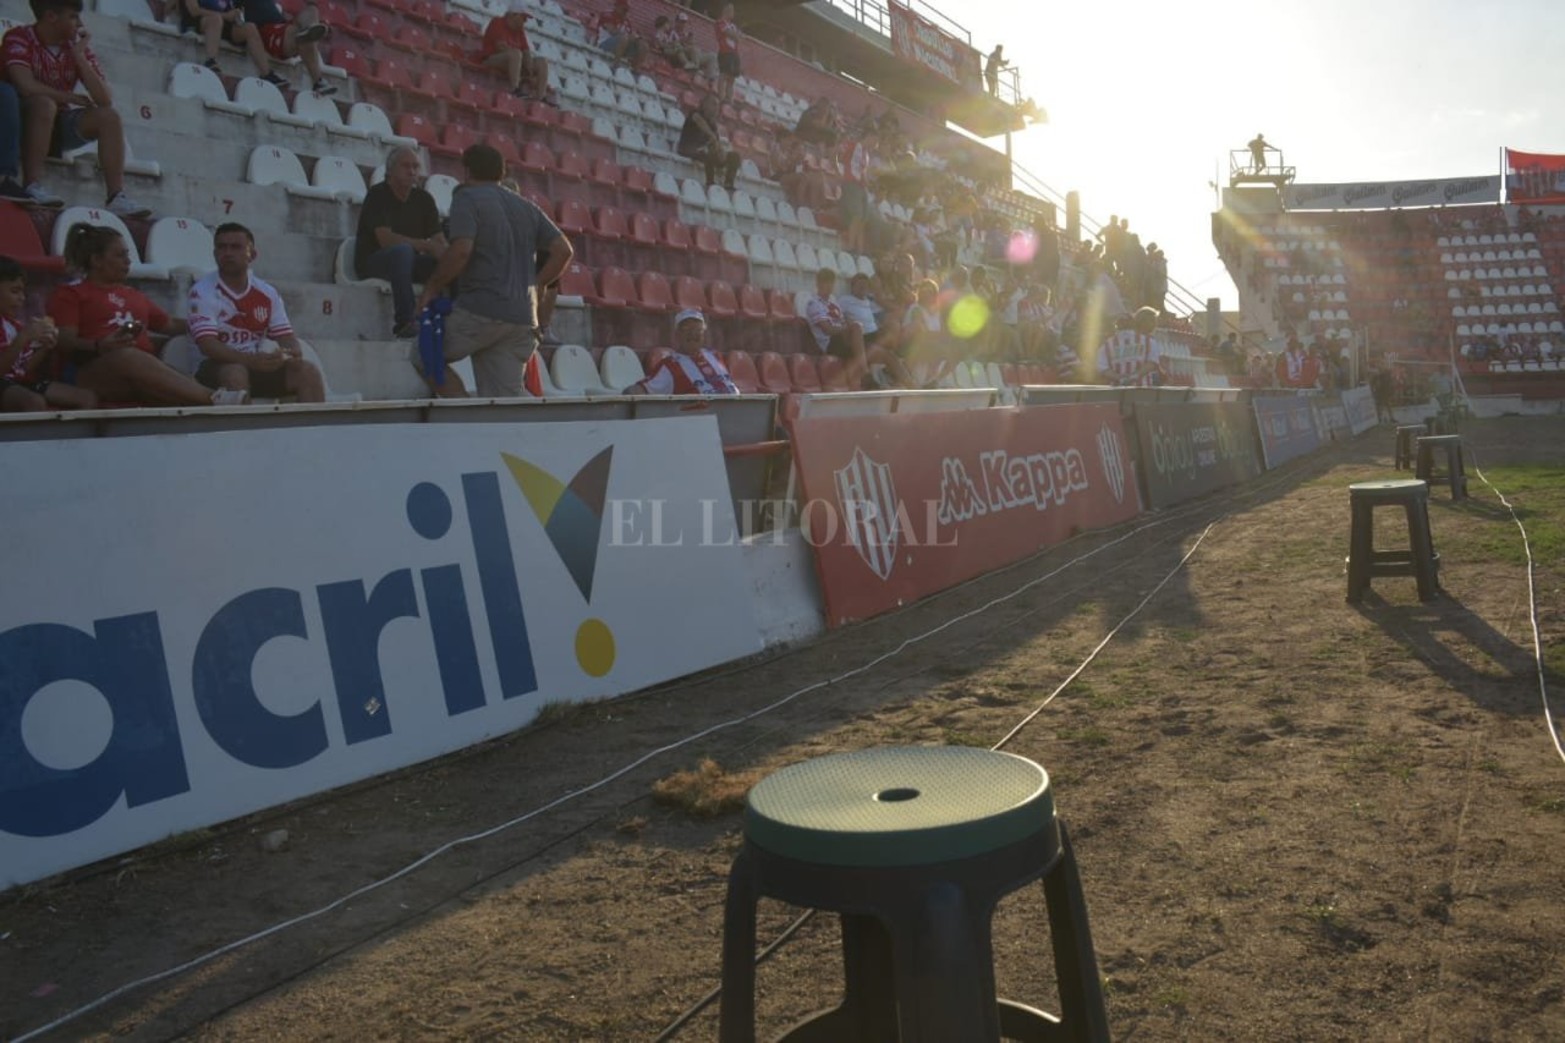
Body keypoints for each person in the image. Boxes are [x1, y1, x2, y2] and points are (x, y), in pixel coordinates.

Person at [414, 143, 573, 398]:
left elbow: (462, 250)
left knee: (424, 355)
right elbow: (564, 251)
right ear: (501, 172)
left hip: (482, 309)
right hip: (522, 317)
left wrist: (432, 287)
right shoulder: (527, 207)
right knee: (502, 400)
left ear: (467, 171)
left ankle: (465, 417)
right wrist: (537, 284)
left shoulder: (466, 197)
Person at [48, 222, 247, 405]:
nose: (128, 261)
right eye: (120, 256)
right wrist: (100, 346)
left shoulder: (133, 295)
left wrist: (212, 326)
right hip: (90, 372)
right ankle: (214, 399)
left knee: (170, 373)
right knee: (128, 357)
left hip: (140, 371)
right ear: (97, 260)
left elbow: (167, 323)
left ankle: (215, 404)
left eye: (127, 255)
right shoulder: (71, 294)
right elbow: (64, 341)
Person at [2, 0, 151, 215]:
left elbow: (105, 99)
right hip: (19, 122)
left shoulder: (75, 46)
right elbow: (25, 85)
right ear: (52, 16)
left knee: (109, 117)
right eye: (73, 16)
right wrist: (69, 96)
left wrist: (80, 58)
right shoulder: (19, 37)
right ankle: (32, 184)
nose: (80, 23)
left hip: (56, 123)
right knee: (44, 104)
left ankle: (116, 196)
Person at [187, 222, 324, 403]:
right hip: (215, 367)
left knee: (307, 371)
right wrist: (250, 360)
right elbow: (208, 345)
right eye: (222, 247)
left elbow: (286, 336)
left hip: (256, 365)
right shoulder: (202, 291)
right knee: (235, 372)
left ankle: (313, 431)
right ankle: (243, 430)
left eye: (235, 247)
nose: (227, 253)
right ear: (214, 254)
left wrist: (288, 354)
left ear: (252, 255)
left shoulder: (267, 293)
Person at [356, 145, 446, 338]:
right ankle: (405, 321)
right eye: (406, 166)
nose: (412, 171)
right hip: (374, 261)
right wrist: (427, 245)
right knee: (402, 251)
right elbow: (386, 240)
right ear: (390, 170)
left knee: (452, 259)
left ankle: (455, 316)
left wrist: (445, 253)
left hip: (408, 262)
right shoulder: (377, 195)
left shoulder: (424, 199)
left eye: (416, 166)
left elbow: (438, 239)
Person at [0, 255, 95, 410]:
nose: (21, 298)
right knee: (33, 402)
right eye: (14, 291)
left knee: (87, 398)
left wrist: (45, 347)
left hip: (16, 382)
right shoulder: (19, 331)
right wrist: (24, 337)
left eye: (23, 292)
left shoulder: (15, 325)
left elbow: (22, 369)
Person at [624, 309, 737, 395]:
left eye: (698, 329)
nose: (693, 334)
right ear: (677, 335)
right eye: (687, 330)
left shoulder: (715, 356)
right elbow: (638, 391)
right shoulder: (670, 365)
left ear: (704, 334)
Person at [239, 0, 334, 96]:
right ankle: (318, 81)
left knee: (312, 9)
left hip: (283, 26)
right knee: (303, 37)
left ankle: (310, 30)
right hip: (267, 30)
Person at [480, 0, 553, 102]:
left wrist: (529, 70)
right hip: (492, 59)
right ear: (514, 15)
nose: (525, 22)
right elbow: (500, 48)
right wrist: (523, 62)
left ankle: (541, 96)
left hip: (514, 62)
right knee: (515, 53)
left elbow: (526, 51)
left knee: (542, 62)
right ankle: (515, 88)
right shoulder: (497, 22)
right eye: (523, 18)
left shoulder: (519, 31)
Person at [676, 91, 739, 191]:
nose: (716, 108)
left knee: (734, 157)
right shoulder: (695, 113)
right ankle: (710, 183)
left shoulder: (713, 124)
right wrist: (712, 137)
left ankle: (728, 184)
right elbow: (700, 122)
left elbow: (715, 144)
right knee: (708, 153)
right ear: (705, 104)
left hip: (702, 152)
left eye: (718, 105)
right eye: (713, 104)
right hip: (687, 149)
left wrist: (720, 152)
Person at [1095, 306, 1165, 387]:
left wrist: (1120, 378)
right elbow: (1152, 363)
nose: (1155, 325)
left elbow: (1102, 367)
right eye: (1153, 321)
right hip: (1143, 391)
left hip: (1116, 392)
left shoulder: (1106, 344)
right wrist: (1134, 376)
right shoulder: (1149, 341)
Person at [713, 3, 740, 102]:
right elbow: (729, 33)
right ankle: (721, 97)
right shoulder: (720, 22)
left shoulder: (733, 26)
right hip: (725, 52)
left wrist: (736, 35)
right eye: (731, 10)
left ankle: (729, 99)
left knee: (732, 78)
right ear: (726, 10)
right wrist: (736, 35)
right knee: (723, 74)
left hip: (734, 53)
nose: (733, 13)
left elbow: (739, 38)